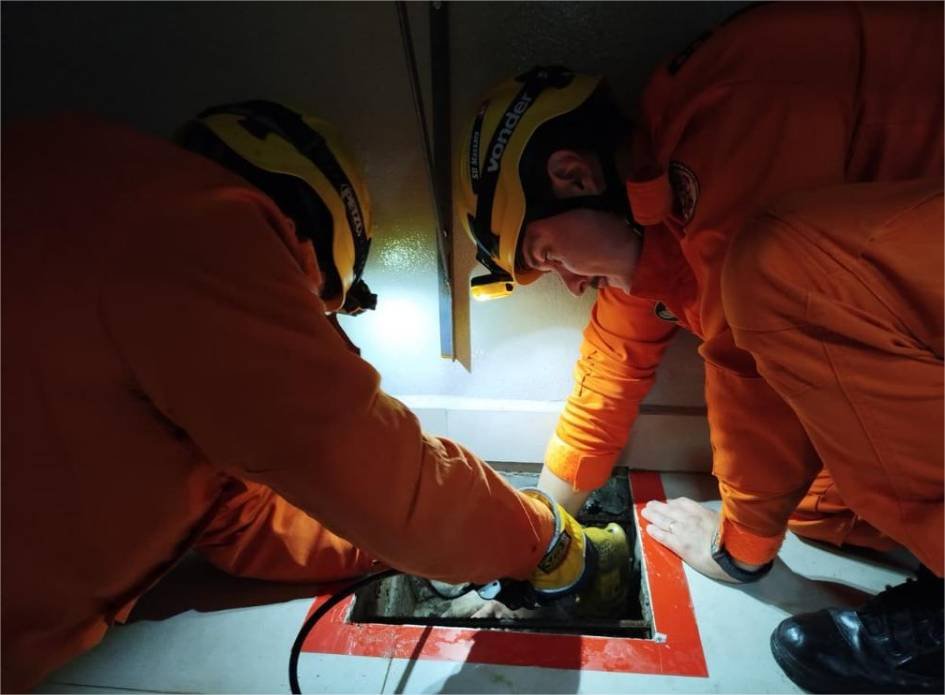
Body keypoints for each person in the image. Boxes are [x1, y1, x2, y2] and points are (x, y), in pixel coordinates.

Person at [0, 101, 628, 693]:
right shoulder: (198, 233)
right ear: (296, 239)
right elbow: (361, 464)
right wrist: (543, 538)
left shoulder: (85, 189)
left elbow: (239, 518)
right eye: (309, 304)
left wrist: (413, 541)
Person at [456, 2, 942, 692]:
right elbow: (613, 361)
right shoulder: (668, 180)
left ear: (571, 174)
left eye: (547, 253)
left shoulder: (730, 125)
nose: (566, 285)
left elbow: (748, 356)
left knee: (772, 272)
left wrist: (738, 552)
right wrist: (546, 515)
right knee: (811, 503)